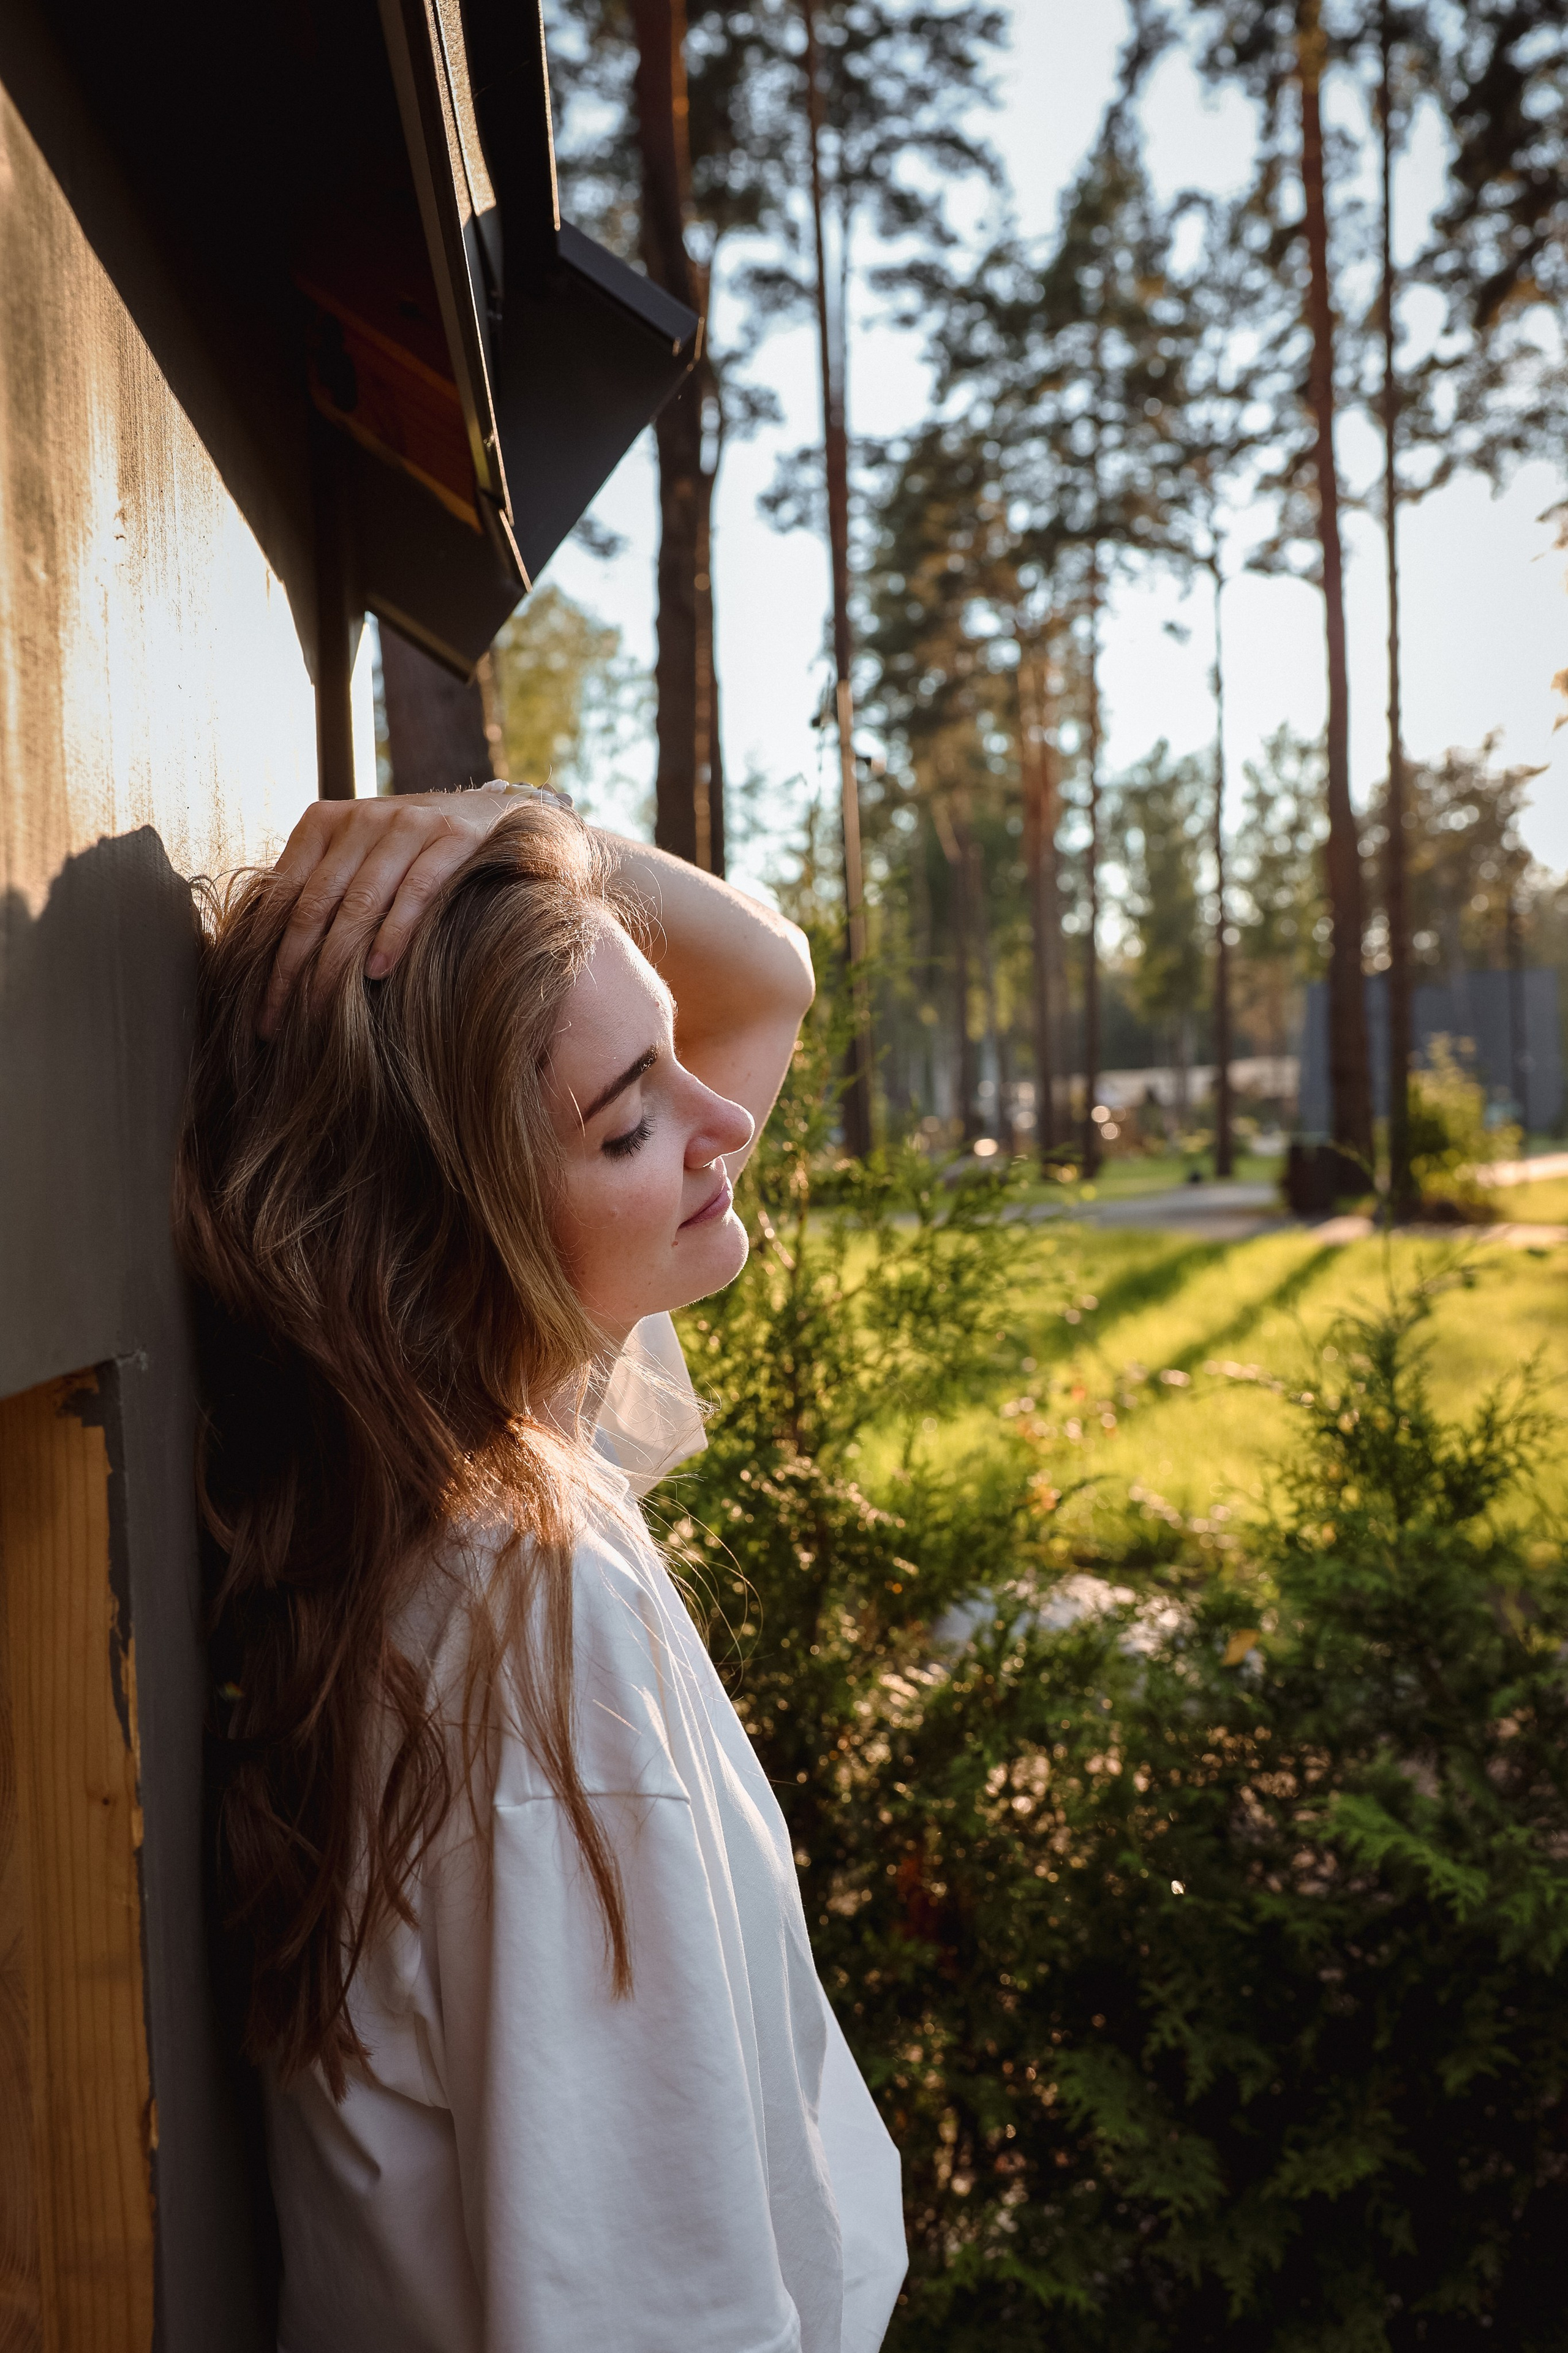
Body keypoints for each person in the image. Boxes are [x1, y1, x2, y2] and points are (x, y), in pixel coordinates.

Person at [174, 784, 907, 2353]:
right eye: (628, 1121)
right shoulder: (534, 1624)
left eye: (672, 1056)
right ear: (459, 1239)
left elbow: (766, 980)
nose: (725, 1122)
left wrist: (518, 829)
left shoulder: (461, 1463)